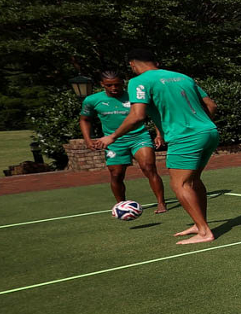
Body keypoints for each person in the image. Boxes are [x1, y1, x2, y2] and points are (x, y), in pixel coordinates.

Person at [93, 49, 219, 245]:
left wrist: (112, 136)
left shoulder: (138, 81)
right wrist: (200, 126)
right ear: (156, 62)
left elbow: (137, 116)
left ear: (132, 64)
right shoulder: (182, 77)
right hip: (209, 132)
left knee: (180, 184)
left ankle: (204, 232)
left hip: (185, 137)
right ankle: (199, 224)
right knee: (193, 181)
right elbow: (211, 105)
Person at [79, 70, 167, 213]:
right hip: (114, 142)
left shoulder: (135, 97)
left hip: (139, 137)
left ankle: (161, 203)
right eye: (109, 85)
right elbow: (85, 119)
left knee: (148, 167)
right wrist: (87, 140)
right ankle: (121, 206)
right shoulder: (92, 100)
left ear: (122, 83)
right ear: (102, 84)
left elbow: (154, 114)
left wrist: (159, 134)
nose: (114, 88)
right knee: (116, 174)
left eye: (117, 84)